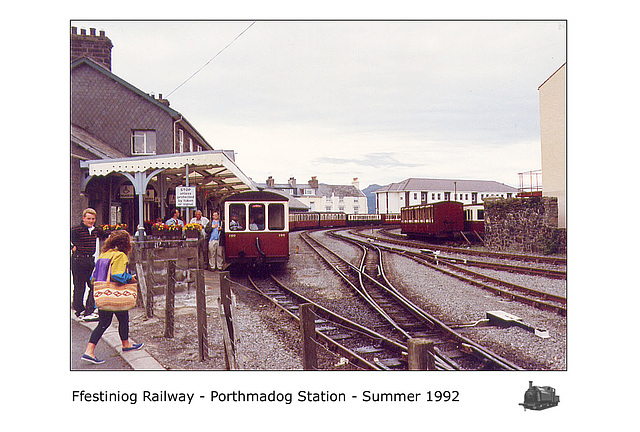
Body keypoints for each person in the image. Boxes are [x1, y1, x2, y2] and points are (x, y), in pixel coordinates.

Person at [81, 230, 143, 364]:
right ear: (124, 243)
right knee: (114, 320)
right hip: (115, 293)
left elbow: (93, 278)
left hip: (103, 294)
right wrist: (130, 277)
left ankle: (125, 344)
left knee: (112, 320)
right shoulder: (120, 255)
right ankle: (89, 351)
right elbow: (117, 275)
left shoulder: (104, 254)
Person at [71, 208, 107, 321]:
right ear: (83, 218)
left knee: (93, 285)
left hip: (90, 261)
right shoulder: (76, 229)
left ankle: (89, 310)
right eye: (89, 218)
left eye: (93, 219)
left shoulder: (96, 230)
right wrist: (71, 247)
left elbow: (106, 236)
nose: (91, 221)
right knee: (79, 286)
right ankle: (79, 310)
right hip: (78, 260)